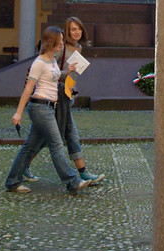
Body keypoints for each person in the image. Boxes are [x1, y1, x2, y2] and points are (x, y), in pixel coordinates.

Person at [4, 26, 94, 195]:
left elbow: (53, 75)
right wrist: (18, 113)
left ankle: (12, 181)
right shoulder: (38, 63)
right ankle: (72, 181)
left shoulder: (51, 60)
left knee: (30, 147)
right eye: (59, 42)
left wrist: (67, 72)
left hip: (48, 107)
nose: (61, 44)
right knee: (56, 145)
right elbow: (28, 89)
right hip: (40, 107)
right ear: (50, 42)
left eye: (61, 41)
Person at [23, 17, 105, 185]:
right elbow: (48, 67)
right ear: (66, 32)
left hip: (67, 95)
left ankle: (23, 166)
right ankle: (82, 173)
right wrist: (65, 73)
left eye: (79, 29)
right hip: (55, 95)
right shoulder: (61, 47)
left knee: (40, 136)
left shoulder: (79, 47)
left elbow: (73, 73)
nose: (77, 32)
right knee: (69, 134)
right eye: (73, 29)